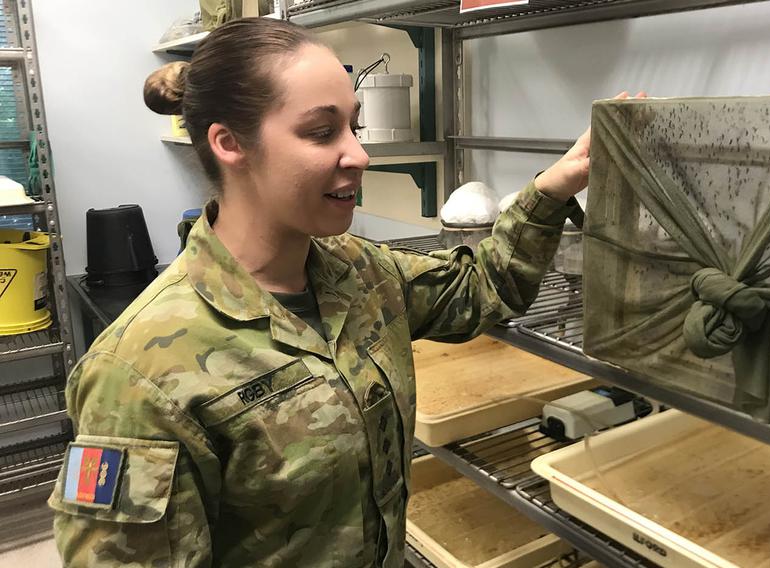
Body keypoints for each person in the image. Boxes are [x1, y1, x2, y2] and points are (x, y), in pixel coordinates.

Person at [48, 17, 612, 568]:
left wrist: (550, 188)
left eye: (354, 126)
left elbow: (481, 290)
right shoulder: (136, 373)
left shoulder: (360, 274)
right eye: (322, 132)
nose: (359, 154)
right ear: (228, 143)